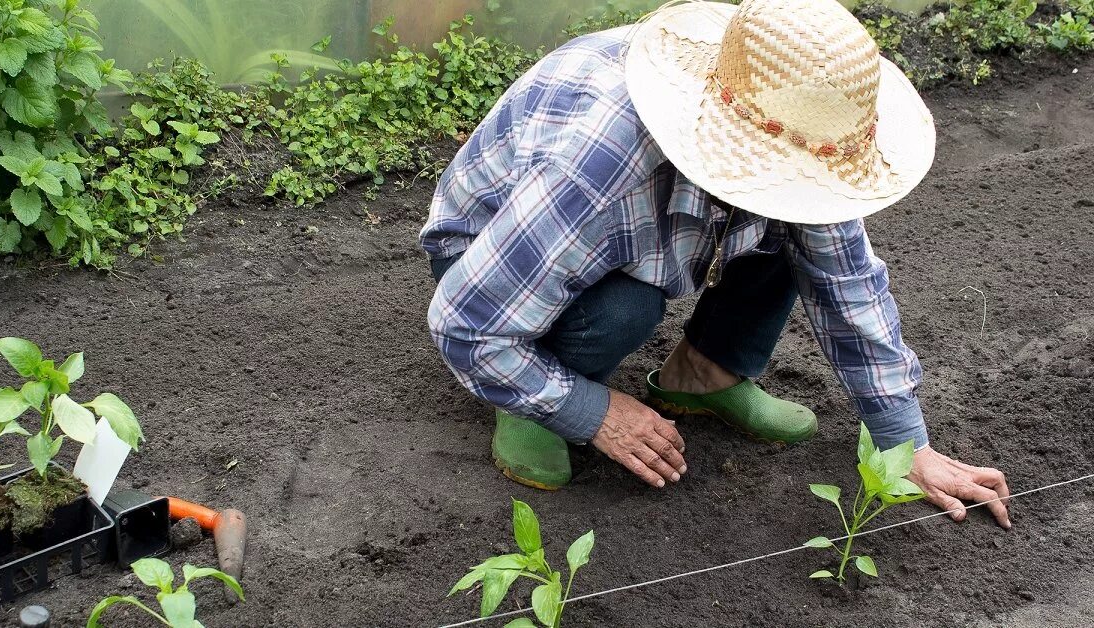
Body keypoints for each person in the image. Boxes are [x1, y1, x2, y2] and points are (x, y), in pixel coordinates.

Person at [420, 0, 1011, 528]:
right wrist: (593, 412)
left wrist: (907, 445)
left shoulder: (799, 121)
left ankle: (704, 375)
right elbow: (467, 325)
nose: (802, 186)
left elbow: (848, 286)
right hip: (496, 267)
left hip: (601, 236)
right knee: (627, 305)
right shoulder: (600, 173)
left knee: (798, 231)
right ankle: (537, 399)